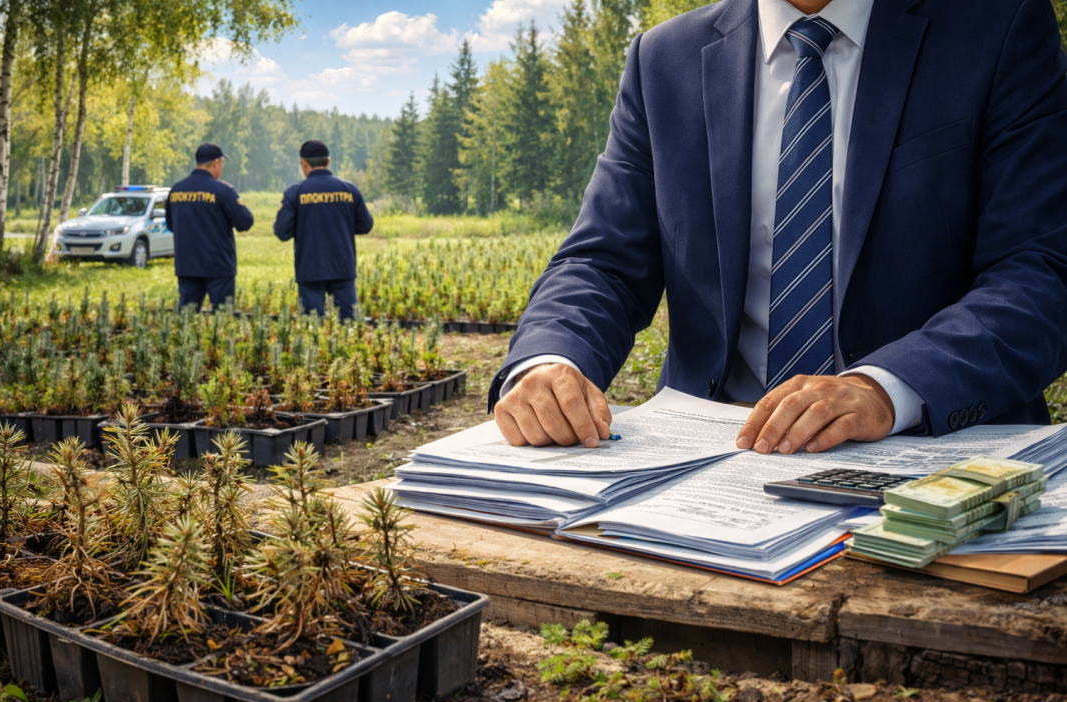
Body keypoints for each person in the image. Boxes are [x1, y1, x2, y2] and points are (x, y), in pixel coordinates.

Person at [491, 0, 1067, 455]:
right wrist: (550, 361)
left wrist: (885, 388)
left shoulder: (999, 29)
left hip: (926, 448)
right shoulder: (663, 60)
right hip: (714, 464)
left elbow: (1041, 271)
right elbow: (603, 262)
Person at [273, 140, 374, 319]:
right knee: (348, 327)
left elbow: (282, 231)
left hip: (310, 269)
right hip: (343, 267)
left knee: (312, 328)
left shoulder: (295, 192)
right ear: (328, 162)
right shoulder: (349, 189)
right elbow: (365, 225)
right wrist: (342, 225)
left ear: (303, 163)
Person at [167, 142, 255, 311]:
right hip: (218, 267)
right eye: (222, 163)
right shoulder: (223, 190)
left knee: (186, 319)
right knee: (223, 320)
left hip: (187, 265)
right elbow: (245, 222)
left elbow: (172, 225)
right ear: (216, 162)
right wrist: (234, 194)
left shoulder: (176, 190)